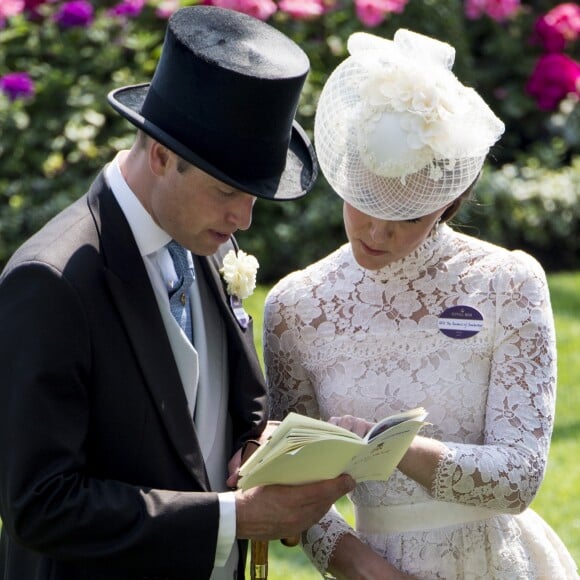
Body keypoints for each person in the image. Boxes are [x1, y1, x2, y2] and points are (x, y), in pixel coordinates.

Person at [0, 6, 356, 580]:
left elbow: (226, 405)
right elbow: (39, 506)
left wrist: (260, 449)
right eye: (226, 192)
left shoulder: (206, 236)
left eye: (254, 196)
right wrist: (233, 517)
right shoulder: (51, 282)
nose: (243, 218)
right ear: (162, 156)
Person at [263, 29, 579, 579]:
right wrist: (366, 569)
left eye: (406, 213)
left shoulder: (507, 283)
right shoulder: (296, 306)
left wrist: (387, 448)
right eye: (364, 199)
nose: (377, 230)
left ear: (447, 203)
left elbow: (521, 477)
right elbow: (293, 487)